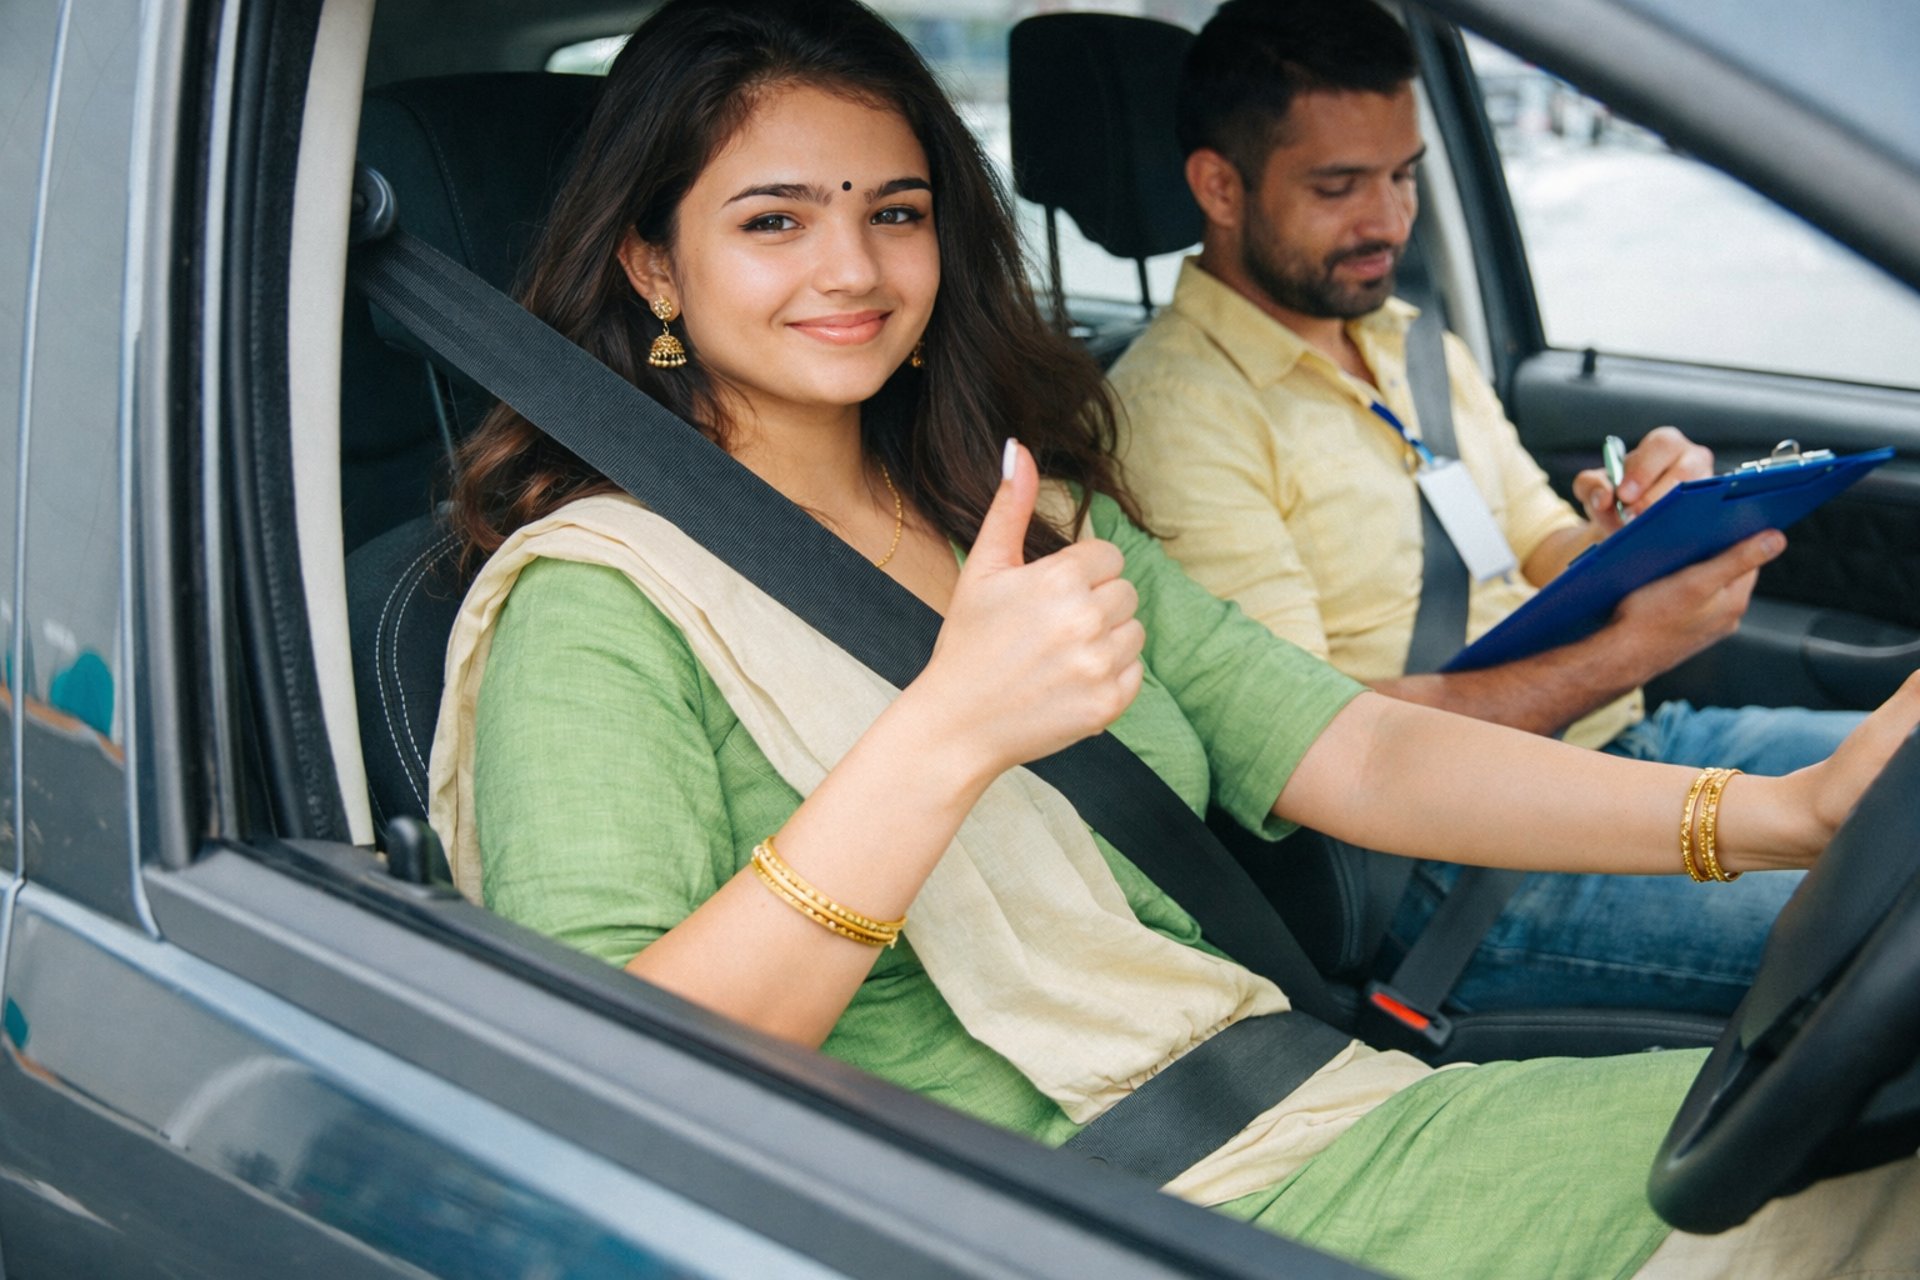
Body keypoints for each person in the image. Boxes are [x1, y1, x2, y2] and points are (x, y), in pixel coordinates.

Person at [426, 1, 1920, 1276]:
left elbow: (1361, 746)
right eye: (773, 220)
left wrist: (1786, 815)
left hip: (1323, 1104)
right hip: (1052, 1212)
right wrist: (951, 731)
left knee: (1871, 1150)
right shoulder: (600, 602)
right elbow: (610, 1069)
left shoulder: (1019, 506)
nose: (856, 272)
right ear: (652, 267)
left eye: (895, 210)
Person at [1108, 0, 1868, 1017]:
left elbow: (1538, 545)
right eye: (1338, 186)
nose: (1389, 220)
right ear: (1219, 186)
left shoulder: (1412, 342)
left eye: (1404, 174)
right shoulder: (1175, 416)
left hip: (1623, 746)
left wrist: (1635, 532)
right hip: (1447, 858)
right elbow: (1319, 743)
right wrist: (1629, 650)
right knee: (1882, 917)